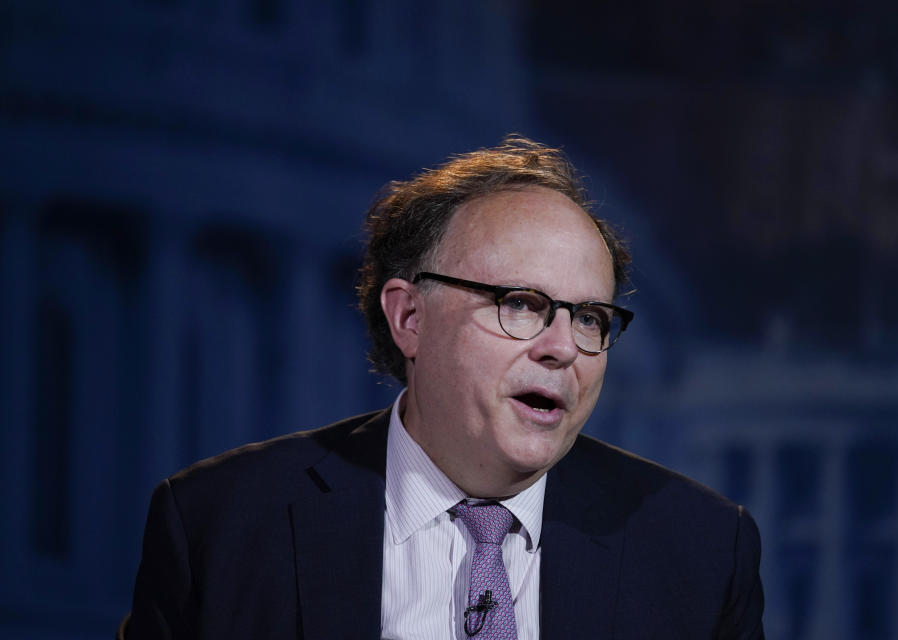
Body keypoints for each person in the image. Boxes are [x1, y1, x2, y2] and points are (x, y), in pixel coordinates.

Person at [119, 136, 764, 639]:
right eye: (521, 303)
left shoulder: (700, 548)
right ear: (409, 317)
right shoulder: (220, 524)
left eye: (589, 317)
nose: (564, 347)